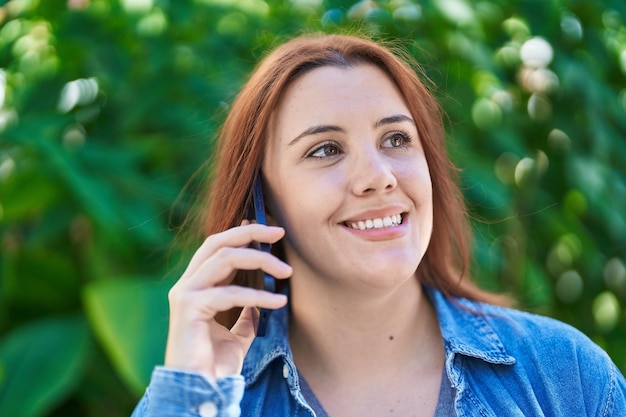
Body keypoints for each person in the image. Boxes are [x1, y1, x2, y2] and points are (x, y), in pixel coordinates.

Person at [131, 33, 626, 417]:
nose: (379, 177)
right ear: (265, 203)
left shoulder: (566, 376)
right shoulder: (215, 397)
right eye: (325, 150)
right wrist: (191, 398)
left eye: (396, 139)